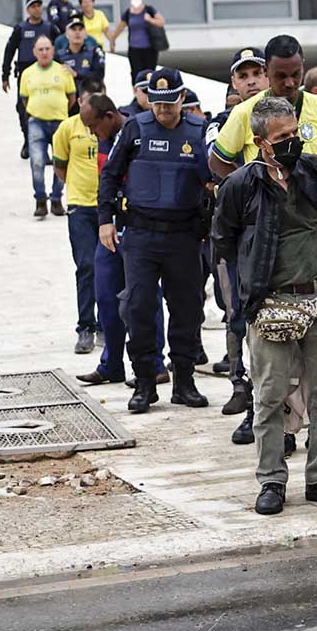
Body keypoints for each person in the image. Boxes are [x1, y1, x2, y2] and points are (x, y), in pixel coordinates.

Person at [212, 96, 317, 515]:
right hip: (270, 304)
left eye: (296, 133)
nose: (293, 142)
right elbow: (223, 241)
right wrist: (246, 301)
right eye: (283, 137)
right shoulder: (241, 185)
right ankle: (271, 480)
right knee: (270, 395)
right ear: (261, 142)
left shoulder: (314, 171)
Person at [98, 69, 212, 413]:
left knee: (187, 309)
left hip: (184, 236)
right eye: (157, 103)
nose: (163, 110)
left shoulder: (199, 131)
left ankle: (185, 381)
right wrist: (105, 220)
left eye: (170, 103)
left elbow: (214, 181)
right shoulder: (135, 128)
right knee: (140, 307)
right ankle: (145, 383)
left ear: (182, 98)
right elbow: (110, 175)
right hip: (142, 235)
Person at [77, 93, 169, 388]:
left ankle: (154, 364)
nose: (93, 133)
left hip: (140, 229)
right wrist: (105, 220)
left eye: (94, 126)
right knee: (105, 294)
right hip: (112, 228)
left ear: (109, 116)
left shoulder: (138, 132)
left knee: (142, 299)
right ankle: (111, 364)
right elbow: (107, 179)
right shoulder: (105, 138)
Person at [209, 47, 267, 425]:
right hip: (242, 232)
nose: (250, 81)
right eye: (242, 75)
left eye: (255, 74)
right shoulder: (222, 122)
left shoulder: (285, 113)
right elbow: (216, 166)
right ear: (233, 82)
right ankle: (243, 391)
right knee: (238, 315)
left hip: (287, 231)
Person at [210, 34, 317, 179]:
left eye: (295, 74)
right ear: (266, 71)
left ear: (302, 68)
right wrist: (248, 188)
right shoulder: (244, 112)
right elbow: (217, 162)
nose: (290, 83)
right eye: (281, 76)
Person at [53, 83, 104, 355]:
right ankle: (86, 326)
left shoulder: (109, 126)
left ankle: (108, 324)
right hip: (80, 207)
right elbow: (60, 166)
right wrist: (77, 189)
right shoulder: (68, 128)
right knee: (86, 266)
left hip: (108, 207)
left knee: (111, 269)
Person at [20, 36, 76, 218]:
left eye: (47, 49)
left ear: (53, 50)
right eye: (40, 49)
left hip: (60, 123)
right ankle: (40, 199)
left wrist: (58, 110)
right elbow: (24, 98)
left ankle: (57, 199)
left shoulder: (64, 71)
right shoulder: (27, 73)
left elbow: (72, 97)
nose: (44, 53)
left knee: (61, 161)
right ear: (34, 52)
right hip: (37, 121)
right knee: (37, 161)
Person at [3, 0, 53, 159]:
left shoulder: (49, 28)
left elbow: (59, 47)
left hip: (48, 72)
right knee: (24, 109)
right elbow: (10, 50)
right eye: (33, 6)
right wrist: (5, 74)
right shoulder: (21, 29)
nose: (37, 9)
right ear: (28, 9)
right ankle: (28, 141)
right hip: (26, 74)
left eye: (39, 6)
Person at [108, 0, 165, 87]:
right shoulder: (128, 13)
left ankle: (150, 92)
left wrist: (150, 19)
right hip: (134, 49)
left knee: (150, 72)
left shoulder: (149, 10)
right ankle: (137, 94)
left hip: (149, 49)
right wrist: (113, 40)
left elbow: (161, 22)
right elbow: (121, 27)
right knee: (136, 72)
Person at [57, 16, 106, 91]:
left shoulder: (94, 52)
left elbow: (99, 75)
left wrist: (76, 74)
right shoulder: (59, 55)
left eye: (80, 29)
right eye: (73, 29)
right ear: (66, 34)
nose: (77, 32)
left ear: (85, 34)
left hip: (90, 96)